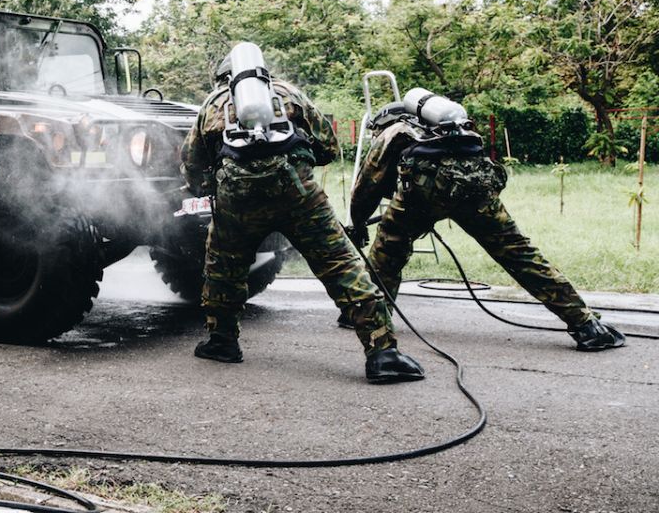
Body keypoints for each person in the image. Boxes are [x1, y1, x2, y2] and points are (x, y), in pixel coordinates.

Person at [180, 46, 425, 383]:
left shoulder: (211, 104)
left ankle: (222, 343)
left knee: (224, 268)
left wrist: (211, 188)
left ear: (225, 76)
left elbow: (192, 164)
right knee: (340, 263)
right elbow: (328, 146)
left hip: (237, 199)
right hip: (298, 194)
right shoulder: (289, 94)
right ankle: (383, 353)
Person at [347, 90, 625, 352]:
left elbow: (367, 187)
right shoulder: (450, 128)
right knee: (519, 253)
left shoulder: (393, 131)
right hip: (475, 188)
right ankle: (586, 324)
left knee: (388, 250)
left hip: (424, 193)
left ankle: (368, 318)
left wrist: (358, 224)